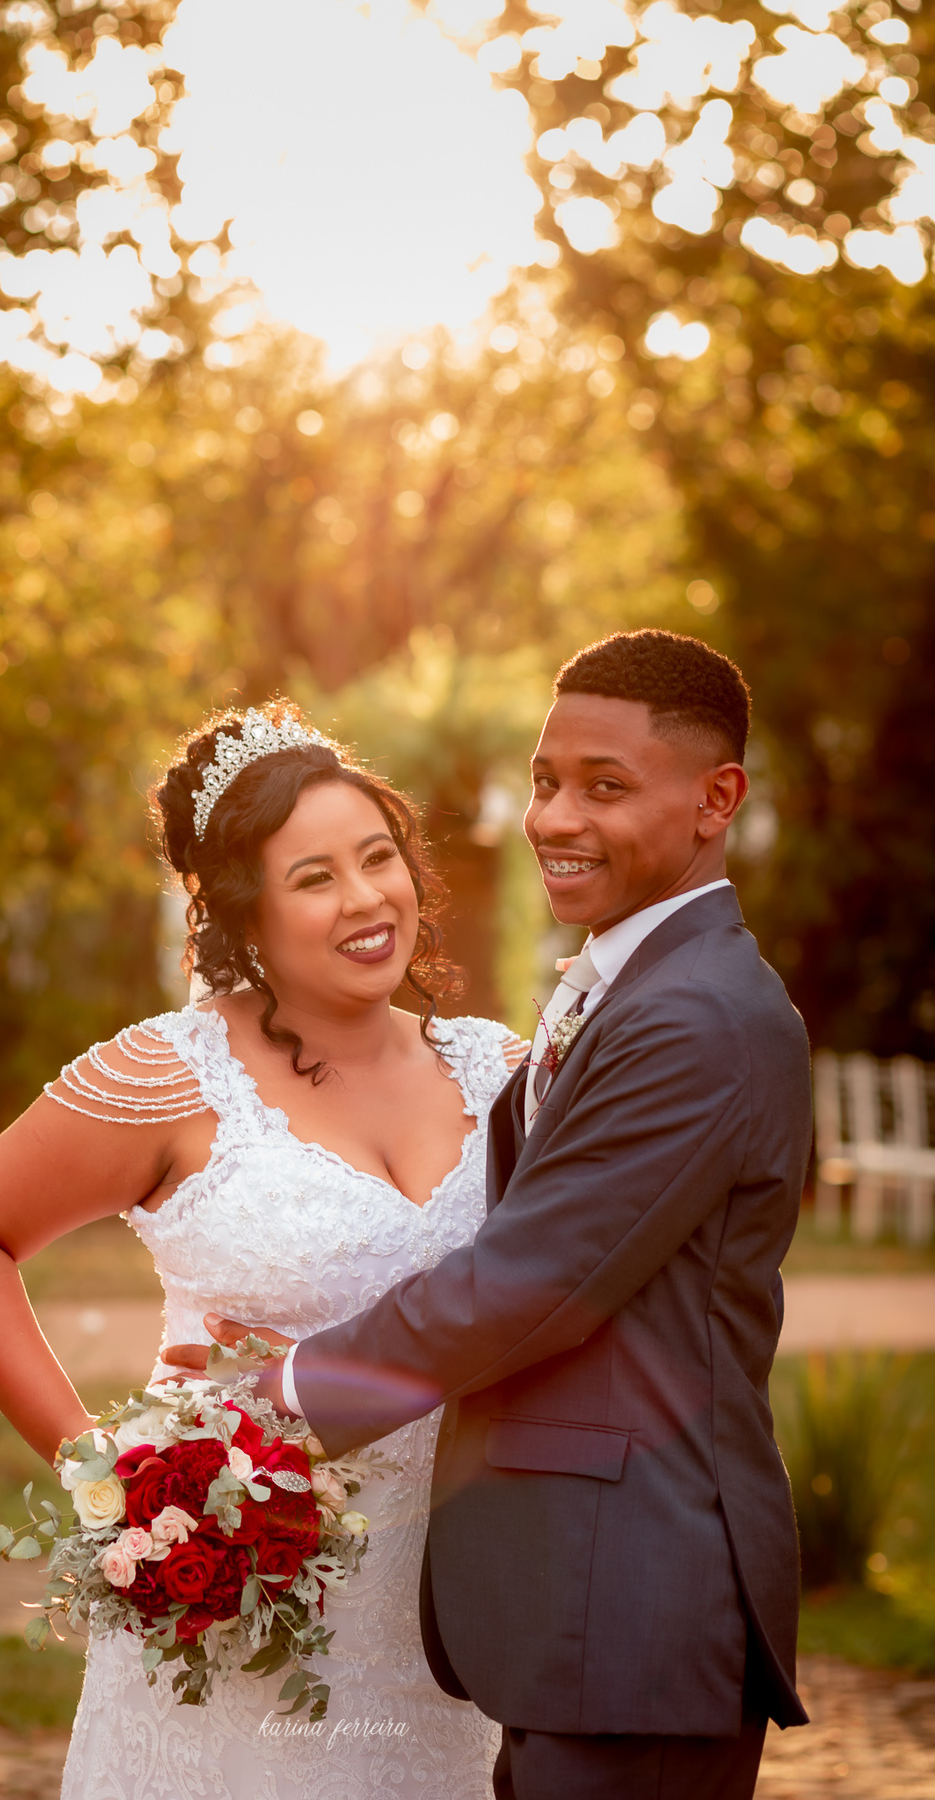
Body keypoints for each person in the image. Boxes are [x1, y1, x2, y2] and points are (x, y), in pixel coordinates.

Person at [180, 631, 814, 1800]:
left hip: (635, 1608)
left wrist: (278, 1406)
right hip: (579, 1612)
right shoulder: (636, 983)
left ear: (717, 798)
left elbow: (532, 1284)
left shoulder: (703, 1020)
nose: (552, 817)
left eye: (605, 787)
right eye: (545, 779)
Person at [0, 700, 525, 1800]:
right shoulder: (170, 1076)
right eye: (314, 877)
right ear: (246, 911)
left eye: (378, 857)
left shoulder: (500, 1071)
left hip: (455, 1622)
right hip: (240, 1618)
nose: (367, 898)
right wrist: (101, 1474)